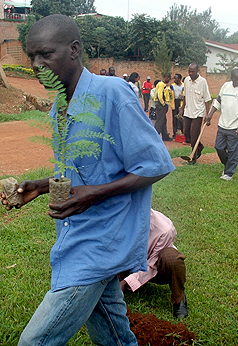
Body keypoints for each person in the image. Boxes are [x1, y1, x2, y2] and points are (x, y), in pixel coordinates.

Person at [3, 14, 175, 346]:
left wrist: (94, 194)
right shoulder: (59, 109)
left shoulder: (113, 93)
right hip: (75, 237)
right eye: (32, 56)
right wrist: (40, 186)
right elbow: (80, 173)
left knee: (33, 342)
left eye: (46, 54)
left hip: (100, 243)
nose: (37, 64)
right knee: (113, 334)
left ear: (74, 50)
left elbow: (156, 164)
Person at [119, 209, 188, 319]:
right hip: (129, 263)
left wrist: (125, 283)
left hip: (156, 268)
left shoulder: (165, 229)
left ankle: (179, 298)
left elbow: (151, 265)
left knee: (171, 259)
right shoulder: (119, 220)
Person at [205, 68, 238, 180]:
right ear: (231, 78)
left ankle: (229, 173)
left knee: (233, 151)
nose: (237, 81)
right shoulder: (225, 86)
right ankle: (228, 165)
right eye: (235, 79)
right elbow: (218, 102)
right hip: (223, 124)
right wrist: (210, 115)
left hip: (236, 126)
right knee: (219, 147)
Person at [179, 63, 211, 164]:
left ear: (198, 71)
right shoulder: (186, 80)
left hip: (198, 113)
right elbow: (185, 96)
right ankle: (199, 146)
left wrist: (208, 115)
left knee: (194, 135)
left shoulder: (203, 82)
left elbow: (207, 99)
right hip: (188, 111)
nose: (190, 73)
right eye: (189, 71)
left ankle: (193, 158)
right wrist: (181, 109)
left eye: (192, 71)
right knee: (186, 132)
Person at [154, 72, 173, 141]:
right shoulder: (162, 84)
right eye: (169, 79)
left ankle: (165, 136)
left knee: (164, 120)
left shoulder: (161, 84)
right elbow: (159, 95)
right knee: (160, 120)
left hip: (161, 104)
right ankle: (155, 136)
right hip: (161, 105)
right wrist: (163, 103)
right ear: (167, 77)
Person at [171, 73, 185, 138]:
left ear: (179, 79)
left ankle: (183, 132)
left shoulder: (183, 86)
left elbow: (185, 95)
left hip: (181, 103)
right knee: (174, 118)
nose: (174, 79)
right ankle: (175, 133)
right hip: (175, 102)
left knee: (181, 118)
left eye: (175, 78)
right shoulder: (172, 86)